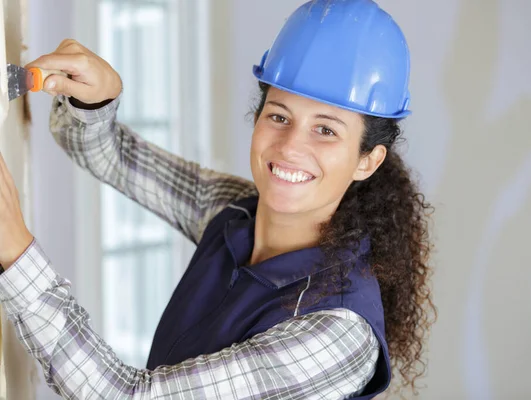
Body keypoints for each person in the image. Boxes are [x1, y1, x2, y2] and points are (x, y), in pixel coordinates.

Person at [0, 0, 435, 398]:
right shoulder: (235, 211)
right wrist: (96, 97)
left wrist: (18, 256)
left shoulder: (336, 334)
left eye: (326, 130)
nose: (289, 147)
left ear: (368, 160)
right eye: (279, 116)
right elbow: (111, 157)